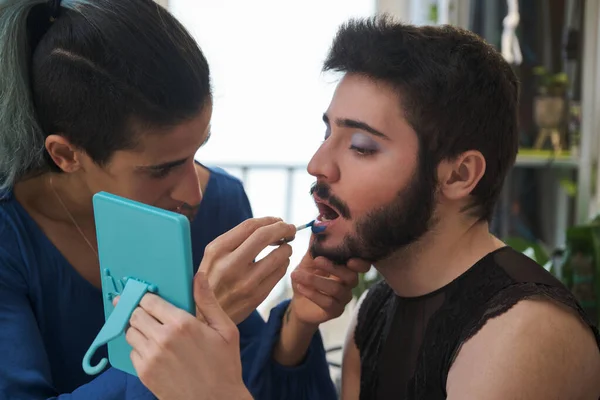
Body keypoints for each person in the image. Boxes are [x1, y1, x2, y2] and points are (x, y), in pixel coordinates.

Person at [131, 15, 600, 400]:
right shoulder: (375, 311)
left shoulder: (523, 335)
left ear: (459, 175)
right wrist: (294, 329)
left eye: (359, 146)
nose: (318, 164)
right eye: (327, 133)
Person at [0, 0, 369, 398]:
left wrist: (297, 323)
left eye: (198, 152)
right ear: (67, 155)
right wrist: (193, 327)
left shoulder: (221, 201)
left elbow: (243, 382)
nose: (194, 195)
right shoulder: (10, 241)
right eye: (161, 169)